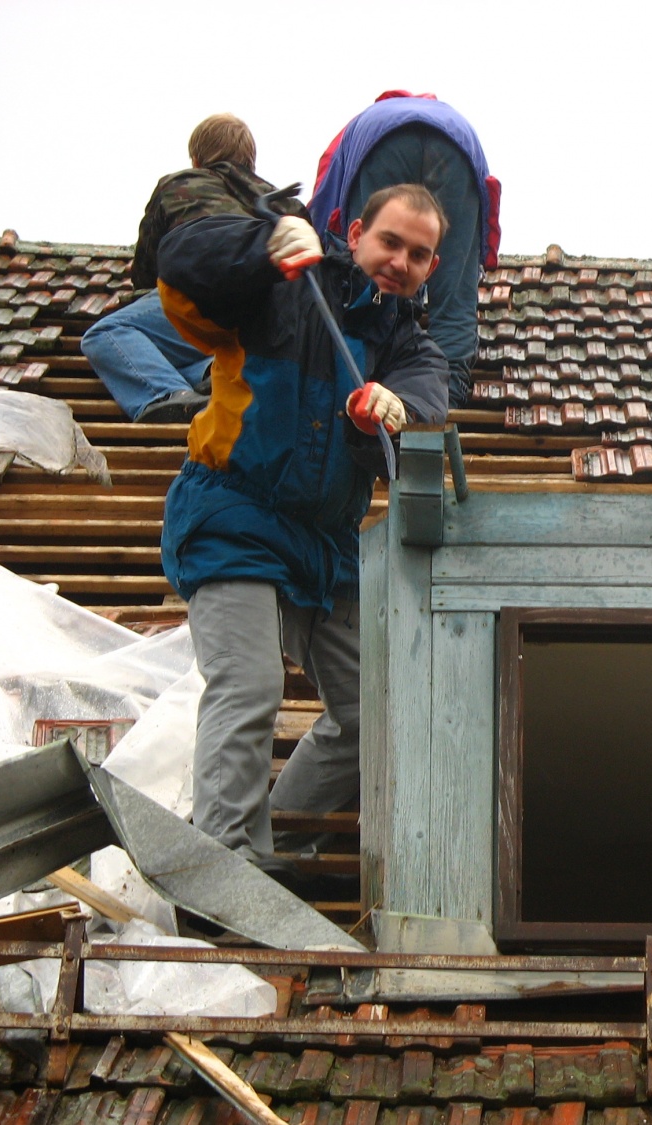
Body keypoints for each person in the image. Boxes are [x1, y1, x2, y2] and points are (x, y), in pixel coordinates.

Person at [156, 183, 450, 886]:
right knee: (250, 685)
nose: (400, 261)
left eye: (419, 253)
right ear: (354, 233)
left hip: (326, 546)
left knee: (371, 709)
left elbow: (431, 388)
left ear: (432, 267)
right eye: (390, 242)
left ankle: (278, 845)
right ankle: (221, 871)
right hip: (236, 514)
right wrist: (260, 245)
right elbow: (180, 265)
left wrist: (398, 403)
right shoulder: (285, 286)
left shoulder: (404, 341)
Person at [81, 114, 307, 423]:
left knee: (107, 332)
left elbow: (150, 267)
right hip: (269, 319)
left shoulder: (180, 184)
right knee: (193, 350)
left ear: (197, 158)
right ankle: (208, 375)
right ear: (250, 161)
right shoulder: (280, 201)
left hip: (203, 301)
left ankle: (165, 394)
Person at [310, 91, 499, 409]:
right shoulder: (446, 118)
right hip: (459, 147)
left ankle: (367, 376)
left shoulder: (360, 125)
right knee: (453, 295)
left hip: (382, 145)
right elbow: (461, 267)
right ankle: (447, 397)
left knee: (367, 277)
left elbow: (327, 218)